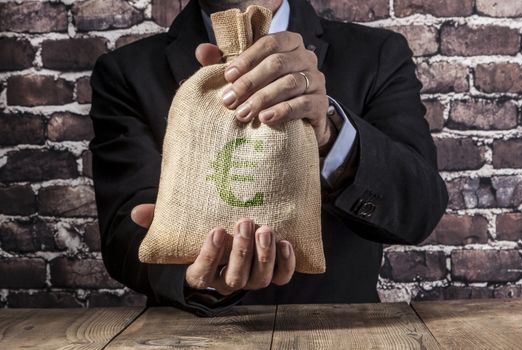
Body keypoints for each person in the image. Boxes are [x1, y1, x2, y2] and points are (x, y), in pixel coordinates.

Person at [89, 0, 448, 316]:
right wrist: (199, 280)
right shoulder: (126, 71)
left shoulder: (377, 54)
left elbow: (421, 209)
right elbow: (125, 231)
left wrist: (329, 133)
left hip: (339, 332)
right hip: (192, 334)